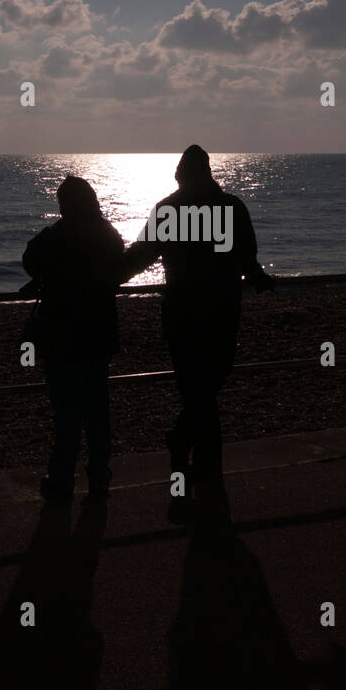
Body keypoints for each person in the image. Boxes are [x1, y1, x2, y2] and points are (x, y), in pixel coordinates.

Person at [122, 145, 274, 524]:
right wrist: (257, 278)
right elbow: (246, 257)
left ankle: (186, 466)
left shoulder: (169, 209)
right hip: (222, 309)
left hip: (182, 310)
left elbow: (140, 256)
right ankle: (206, 477)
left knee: (196, 389)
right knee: (210, 385)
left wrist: (104, 273)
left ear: (180, 175)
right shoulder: (231, 207)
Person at [21, 176, 125, 505]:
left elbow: (30, 258)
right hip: (98, 334)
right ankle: (99, 479)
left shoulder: (57, 235)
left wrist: (46, 278)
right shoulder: (107, 234)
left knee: (66, 413)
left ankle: (62, 479)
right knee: (97, 412)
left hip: (63, 335)